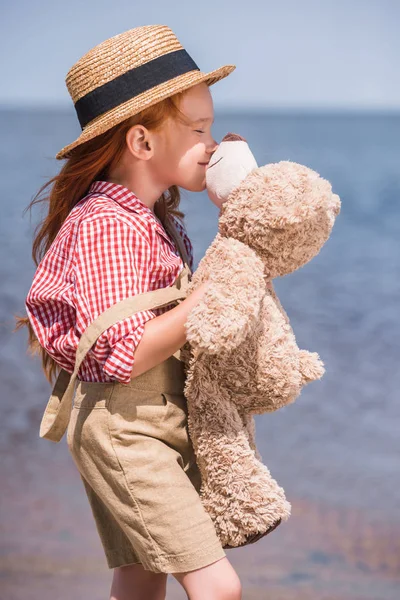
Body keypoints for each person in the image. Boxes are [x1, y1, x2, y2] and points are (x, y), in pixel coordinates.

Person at [19, 25, 242, 600]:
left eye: (211, 127)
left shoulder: (157, 222)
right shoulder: (106, 226)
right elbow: (120, 352)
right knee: (218, 587)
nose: (212, 143)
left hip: (156, 420)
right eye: (197, 130)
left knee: (141, 579)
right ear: (142, 143)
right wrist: (203, 301)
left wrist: (236, 220)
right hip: (124, 429)